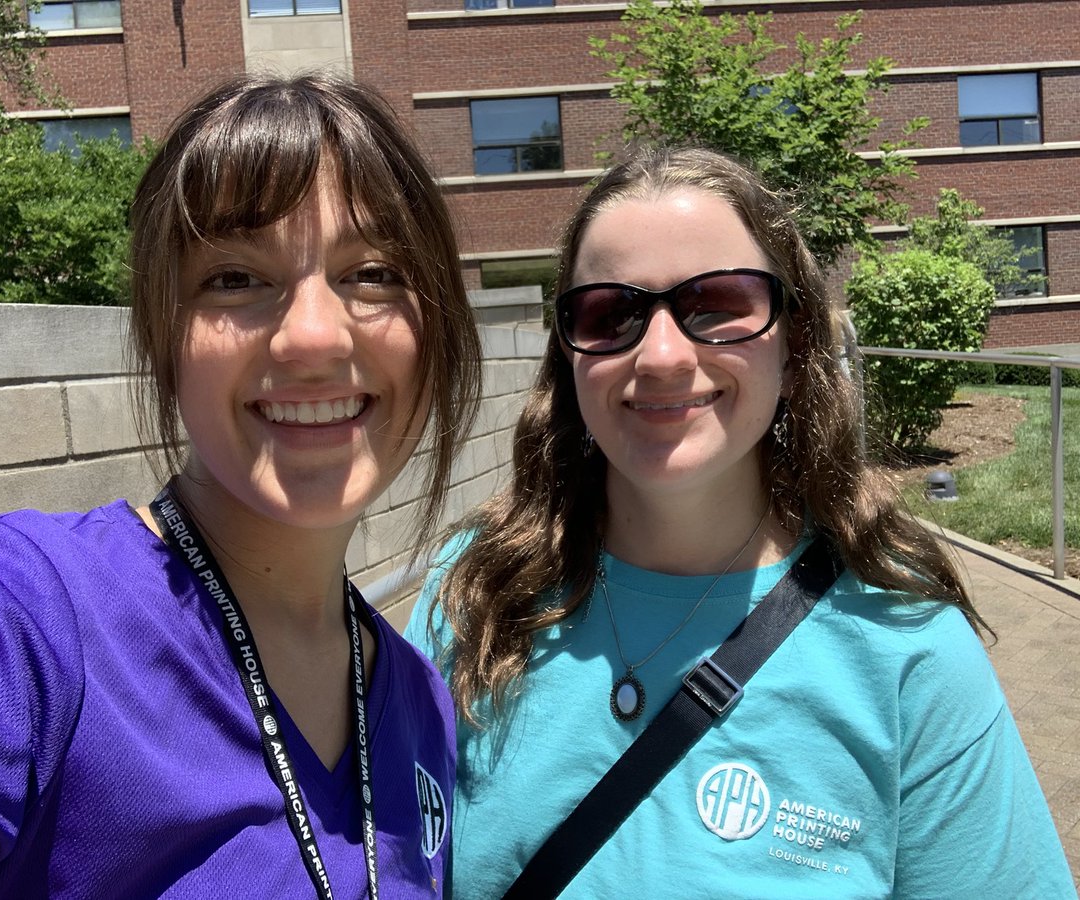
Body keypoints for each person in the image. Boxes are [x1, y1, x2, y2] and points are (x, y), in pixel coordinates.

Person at [407, 146, 1075, 897]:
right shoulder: (473, 595)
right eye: (610, 312)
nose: (660, 355)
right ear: (569, 356)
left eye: (717, 305)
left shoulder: (905, 646)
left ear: (794, 347)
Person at [0, 72, 480, 899]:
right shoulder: (13, 613)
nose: (312, 336)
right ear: (164, 342)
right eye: (235, 278)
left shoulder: (422, 707)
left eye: (373, 272)